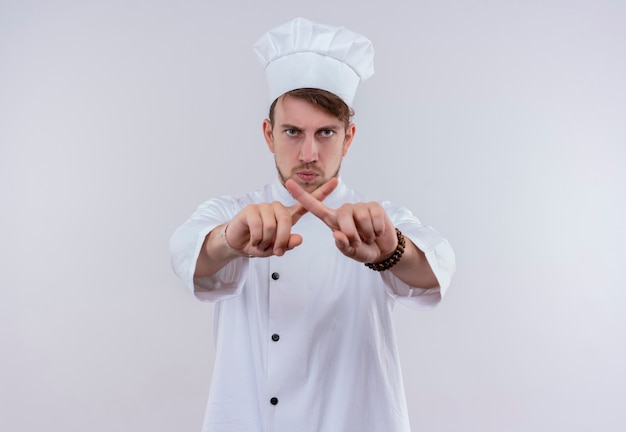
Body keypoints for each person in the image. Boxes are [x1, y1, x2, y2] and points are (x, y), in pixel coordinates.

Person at [170, 17, 455, 432]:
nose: (308, 153)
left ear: (349, 137)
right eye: (292, 132)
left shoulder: (377, 222)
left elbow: (438, 265)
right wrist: (231, 240)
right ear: (268, 134)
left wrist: (390, 252)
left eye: (325, 132)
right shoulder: (233, 212)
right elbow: (187, 251)